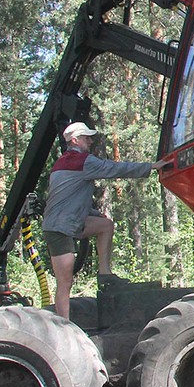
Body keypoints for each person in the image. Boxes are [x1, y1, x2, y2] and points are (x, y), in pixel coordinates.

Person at [42, 121, 159, 319]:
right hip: (59, 229)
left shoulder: (61, 163)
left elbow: (71, 199)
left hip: (68, 222)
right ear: (75, 140)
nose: (90, 140)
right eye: (86, 137)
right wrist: (151, 167)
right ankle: (64, 326)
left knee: (105, 225)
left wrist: (95, 215)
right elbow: (114, 168)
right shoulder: (82, 161)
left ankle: (104, 274)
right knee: (65, 283)